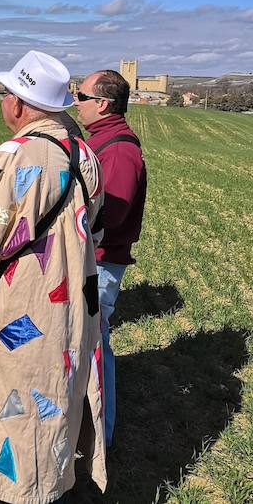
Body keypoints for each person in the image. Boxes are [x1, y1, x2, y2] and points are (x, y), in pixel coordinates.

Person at [0, 50, 107, 504]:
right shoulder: (82, 151)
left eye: (4, 93)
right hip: (72, 306)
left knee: (13, 418)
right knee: (56, 405)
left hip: (26, 310)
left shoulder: (23, 153)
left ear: (18, 103)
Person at [73, 69, 147, 447]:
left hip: (99, 264)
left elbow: (107, 219)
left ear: (102, 103)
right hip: (94, 260)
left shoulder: (117, 151)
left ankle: (102, 437)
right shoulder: (102, 142)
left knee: (95, 351)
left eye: (81, 96)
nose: (75, 101)